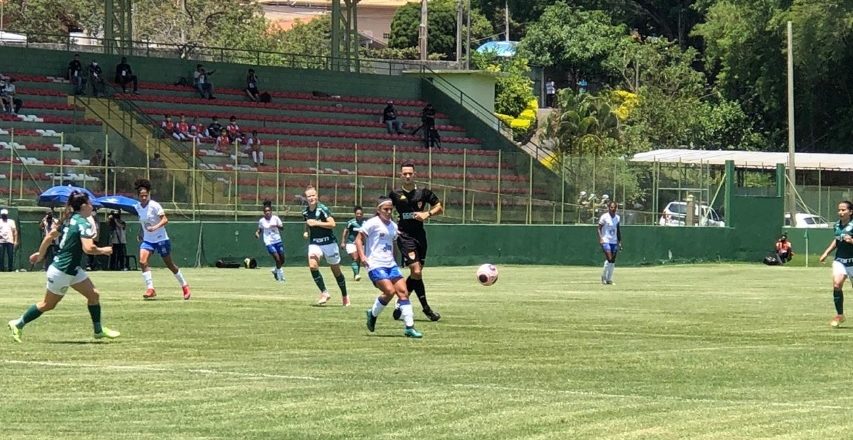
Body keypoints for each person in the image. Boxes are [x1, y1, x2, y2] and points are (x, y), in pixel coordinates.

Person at [7, 191, 120, 343]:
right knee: (48, 304)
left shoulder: (68, 219)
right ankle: (18, 323)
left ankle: (98, 331)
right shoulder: (82, 222)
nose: (92, 207)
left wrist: (40, 255)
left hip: (71, 269)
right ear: (84, 206)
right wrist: (104, 250)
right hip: (62, 271)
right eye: (91, 204)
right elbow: (88, 249)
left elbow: (49, 237)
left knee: (94, 295)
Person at [360, 197, 423, 338]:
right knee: (389, 291)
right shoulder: (371, 223)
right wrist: (362, 257)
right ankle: (373, 313)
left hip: (390, 265)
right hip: (375, 264)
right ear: (378, 210)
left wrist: (396, 260)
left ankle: (409, 327)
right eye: (385, 209)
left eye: (390, 209)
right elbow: (359, 239)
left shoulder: (393, 226)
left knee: (403, 292)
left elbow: (393, 245)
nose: (389, 212)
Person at [388, 162, 443, 321]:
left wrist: (428, 214)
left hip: (420, 236)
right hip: (404, 236)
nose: (407, 176)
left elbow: (439, 207)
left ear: (415, 174)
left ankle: (401, 300)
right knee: (417, 271)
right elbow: (384, 211)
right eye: (404, 173)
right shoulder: (394, 194)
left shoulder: (423, 193)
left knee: (415, 273)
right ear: (400, 175)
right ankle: (426, 309)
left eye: (410, 173)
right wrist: (392, 227)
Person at [134, 178, 191, 300]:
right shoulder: (138, 207)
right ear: (138, 195)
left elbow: (165, 220)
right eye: (141, 195)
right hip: (148, 240)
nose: (144, 198)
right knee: (142, 262)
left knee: (170, 264)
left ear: (149, 194)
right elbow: (143, 222)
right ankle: (151, 289)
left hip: (160, 239)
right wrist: (141, 232)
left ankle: (184, 285)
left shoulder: (154, 205)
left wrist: (154, 227)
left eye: (146, 195)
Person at [302, 185, 348, 306]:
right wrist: (306, 231)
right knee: (312, 265)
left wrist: (316, 223)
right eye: (309, 196)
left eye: (313, 195)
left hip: (329, 243)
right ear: (306, 198)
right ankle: (324, 292)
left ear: (317, 196)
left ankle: (345, 295)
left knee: (336, 271)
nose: (311, 198)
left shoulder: (322, 209)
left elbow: (332, 224)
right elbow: (307, 222)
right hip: (315, 243)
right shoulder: (305, 211)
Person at [819, 201, 853, 328]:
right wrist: (826, 252)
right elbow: (837, 240)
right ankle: (840, 315)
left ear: (850, 212)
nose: (841, 212)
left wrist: (851, 240)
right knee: (837, 284)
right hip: (840, 260)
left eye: (843, 210)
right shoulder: (837, 225)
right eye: (839, 210)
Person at [256, 200, 285, 282]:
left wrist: (275, 225)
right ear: (263, 212)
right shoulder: (262, 221)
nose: (267, 212)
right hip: (269, 242)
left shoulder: (275, 218)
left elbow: (282, 228)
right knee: (277, 258)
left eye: (269, 211)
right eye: (266, 211)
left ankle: (275, 270)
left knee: (282, 259)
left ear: (271, 211)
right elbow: (260, 229)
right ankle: (280, 277)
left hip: (278, 240)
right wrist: (257, 233)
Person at [597, 200, 622, 285]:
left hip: (614, 241)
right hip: (606, 240)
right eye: (611, 207)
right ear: (608, 208)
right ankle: (603, 277)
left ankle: (609, 279)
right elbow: (599, 228)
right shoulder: (604, 217)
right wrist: (601, 238)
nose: (613, 209)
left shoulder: (617, 218)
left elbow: (618, 230)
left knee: (613, 260)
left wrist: (619, 241)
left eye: (615, 207)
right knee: (609, 258)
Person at [340, 205, 365, 281]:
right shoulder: (351, 222)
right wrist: (343, 242)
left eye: (360, 214)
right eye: (357, 213)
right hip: (351, 243)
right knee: (355, 257)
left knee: (359, 260)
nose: (359, 215)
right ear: (355, 214)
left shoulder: (365, 223)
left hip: (361, 244)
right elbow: (345, 232)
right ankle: (357, 274)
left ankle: (356, 275)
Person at [0, 208, 18, 272]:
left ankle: (10, 269)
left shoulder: (11, 221)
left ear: (7, 214)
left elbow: (15, 231)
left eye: (5, 214)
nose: (4, 215)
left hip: (10, 241)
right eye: (3, 214)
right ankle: (1, 270)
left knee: (10, 256)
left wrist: (15, 241)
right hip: (1, 242)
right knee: (1, 256)